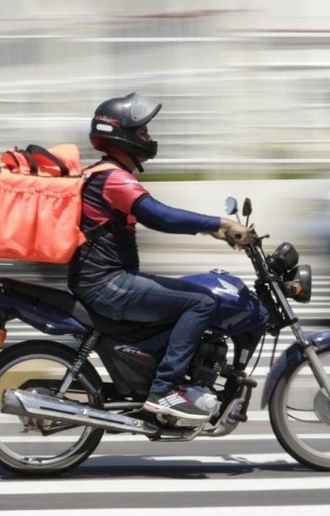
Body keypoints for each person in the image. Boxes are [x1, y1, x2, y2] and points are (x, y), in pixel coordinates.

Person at [68, 92, 252, 421]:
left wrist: (212, 231)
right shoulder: (114, 179)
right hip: (107, 284)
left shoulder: (104, 173)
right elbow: (160, 216)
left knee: (184, 298)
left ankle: (162, 375)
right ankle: (164, 391)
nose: (149, 138)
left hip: (103, 280)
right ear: (122, 135)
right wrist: (219, 222)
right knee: (201, 302)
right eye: (142, 132)